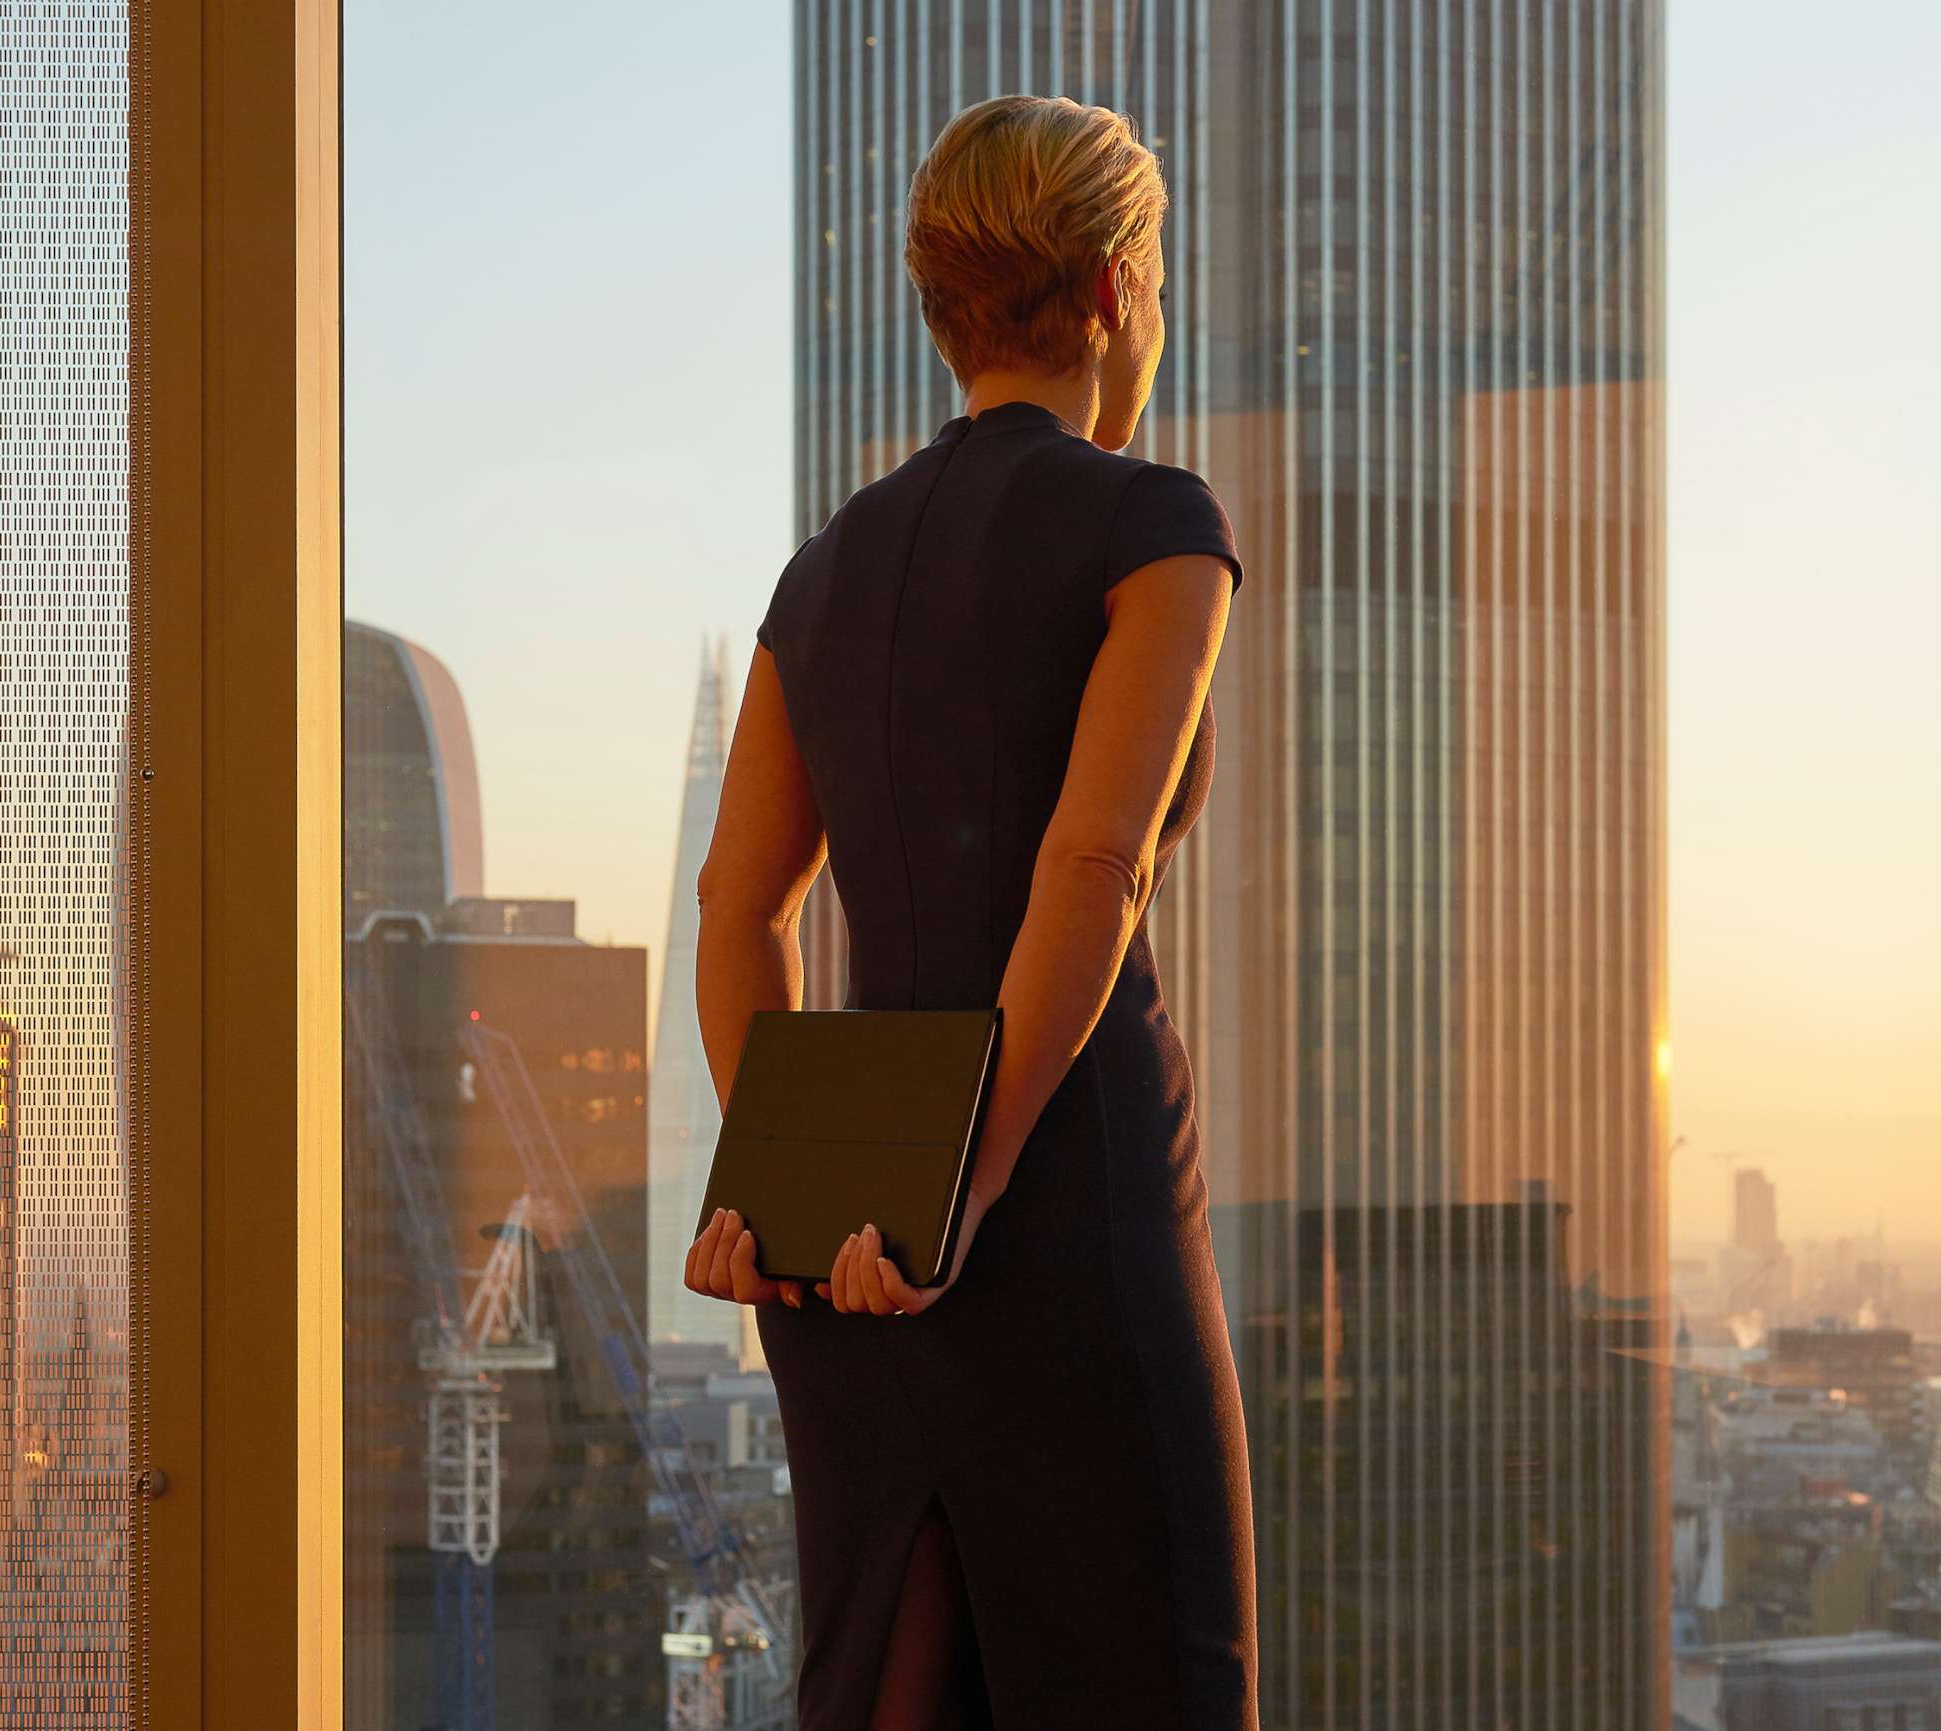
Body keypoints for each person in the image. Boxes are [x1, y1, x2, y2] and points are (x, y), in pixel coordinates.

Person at [680, 94, 1257, 1730]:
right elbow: (1095, 868)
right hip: (1065, 1208)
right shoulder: (1155, 524)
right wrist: (971, 1187)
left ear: (945, 311)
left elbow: (740, 909)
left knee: (892, 1696)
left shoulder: (826, 568)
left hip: (854, 1260)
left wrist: (800, 1199)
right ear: (1114, 292)